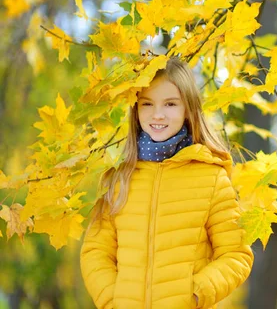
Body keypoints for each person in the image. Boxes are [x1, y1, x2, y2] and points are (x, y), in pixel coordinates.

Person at [80, 57, 254, 309]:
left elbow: (236, 255)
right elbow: (95, 251)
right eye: (147, 104)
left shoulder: (211, 177)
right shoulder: (119, 177)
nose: (157, 114)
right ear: (135, 109)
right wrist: (111, 299)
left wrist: (196, 294)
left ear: (188, 109)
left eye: (170, 104)